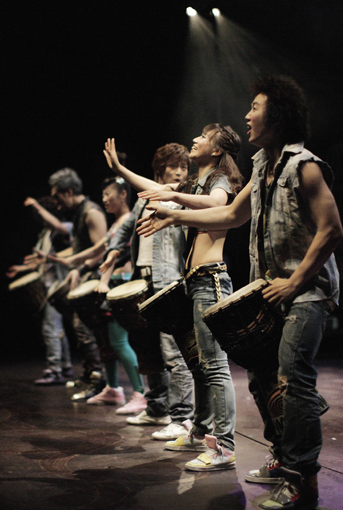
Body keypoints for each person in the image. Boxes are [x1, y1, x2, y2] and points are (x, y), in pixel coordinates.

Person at [137, 76, 342, 508]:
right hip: (272, 290)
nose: (247, 116)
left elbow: (331, 229)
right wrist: (175, 217)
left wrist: (295, 281)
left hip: (306, 292)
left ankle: (302, 479)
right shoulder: (263, 167)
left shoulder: (305, 166)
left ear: (278, 116)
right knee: (262, 378)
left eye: (255, 108)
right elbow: (231, 214)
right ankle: (281, 456)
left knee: (293, 380)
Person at [121, 125, 244, 472]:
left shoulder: (218, 180)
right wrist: (119, 169)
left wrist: (174, 210)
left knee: (215, 367)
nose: (196, 140)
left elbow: (218, 204)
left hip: (210, 278)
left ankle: (224, 447)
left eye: (204, 137)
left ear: (216, 150)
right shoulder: (195, 184)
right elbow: (156, 189)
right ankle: (199, 431)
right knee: (200, 365)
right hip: (194, 281)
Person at [101, 141, 195, 440]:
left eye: (183, 167)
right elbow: (127, 227)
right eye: (173, 166)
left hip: (168, 280)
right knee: (148, 349)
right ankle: (156, 408)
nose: (179, 172)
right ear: (159, 169)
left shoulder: (183, 195)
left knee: (173, 353)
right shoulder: (145, 198)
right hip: (143, 278)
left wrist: (120, 169)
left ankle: (181, 418)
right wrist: (114, 252)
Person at [51, 176, 147, 414]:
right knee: (106, 340)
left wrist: (100, 277)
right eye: (102, 195)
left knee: (118, 341)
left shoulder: (129, 221)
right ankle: (113, 388)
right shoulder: (116, 224)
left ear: (123, 195)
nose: (104, 199)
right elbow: (98, 249)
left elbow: (115, 254)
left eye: (107, 194)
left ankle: (140, 394)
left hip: (121, 285)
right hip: (109, 285)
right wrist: (73, 261)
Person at [48, 167, 108, 399]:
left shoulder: (91, 213)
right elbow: (82, 249)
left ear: (69, 192)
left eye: (57, 197)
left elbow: (102, 252)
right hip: (83, 276)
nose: (56, 203)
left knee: (84, 328)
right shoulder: (78, 213)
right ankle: (89, 372)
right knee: (78, 327)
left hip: (93, 279)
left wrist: (80, 269)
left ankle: (98, 379)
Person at [6, 196, 74, 385]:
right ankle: (65, 365)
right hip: (48, 287)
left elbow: (61, 238)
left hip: (59, 286)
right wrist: (21, 269)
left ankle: (54, 370)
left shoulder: (64, 229)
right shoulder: (44, 234)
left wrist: (36, 205)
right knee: (56, 328)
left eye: (41, 215)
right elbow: (40, 261)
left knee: (50, 328)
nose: (40, 219)